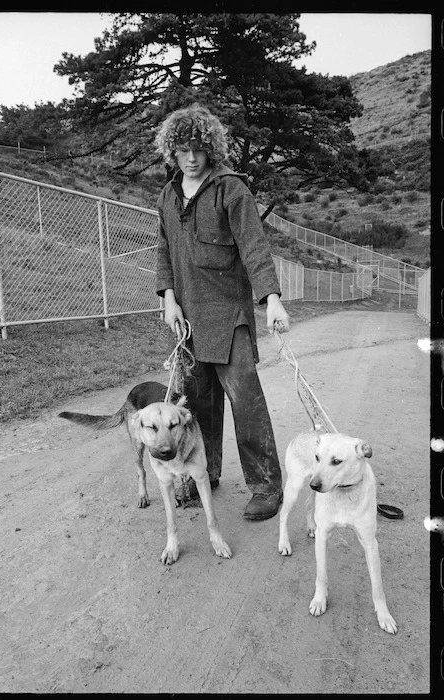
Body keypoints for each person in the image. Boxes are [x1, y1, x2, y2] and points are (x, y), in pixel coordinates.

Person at [154, 103, 290, 520]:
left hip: (230, 318)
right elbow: (163, 250)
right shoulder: (168, 194)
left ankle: (267, 488)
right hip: (188, 321)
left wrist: (271, 300)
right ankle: (203, 475)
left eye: (198, 148)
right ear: (171, 152)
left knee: (246, 402)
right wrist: (169, 299)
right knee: (197, 405)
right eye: (183, 150)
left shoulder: (231, 189)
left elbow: (254, 247)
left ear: (210, 148)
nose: (191, 157)